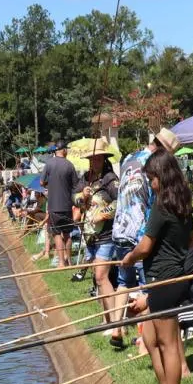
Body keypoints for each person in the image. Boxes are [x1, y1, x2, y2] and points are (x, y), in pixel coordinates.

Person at [119, 151, 193, 384]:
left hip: (165, 281)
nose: (151, 183)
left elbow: (144, 246)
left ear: (162, 177)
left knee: (168, 344)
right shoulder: (181, 204)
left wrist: (129, 259)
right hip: (168, 279)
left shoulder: (161, 205)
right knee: (152, 340)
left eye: (152, 178)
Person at [107, 127, 179, 350]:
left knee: (123, 282)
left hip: (119, 228)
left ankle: (117, 328)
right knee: (146, 286)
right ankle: (143, 339)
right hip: (139, 232)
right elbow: (154, 200)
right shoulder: (155, 165)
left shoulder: (130, 157)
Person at [73, 139, 120, 332]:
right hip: (89, 235)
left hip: (107, 234)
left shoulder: (110, 179)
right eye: (91, 159)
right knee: (97, 278)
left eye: (97, 158)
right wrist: (81, 196)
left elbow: (120, 201)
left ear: (103, 158)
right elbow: (74, 199)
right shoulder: (85, 178)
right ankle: (105, 320)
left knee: (102, 276)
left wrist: (104, 214)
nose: (94, 162)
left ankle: (116, 323)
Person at [39, 140, 79, 269]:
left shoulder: (49, 164)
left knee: (57, 234)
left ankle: (61, 263)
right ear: (64, 150)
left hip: (53, 207)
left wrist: (49, 184)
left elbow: (41, 182)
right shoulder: (70, 165)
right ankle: (70, 262)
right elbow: (76, 186)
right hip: (67, 206)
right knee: (67, 235)